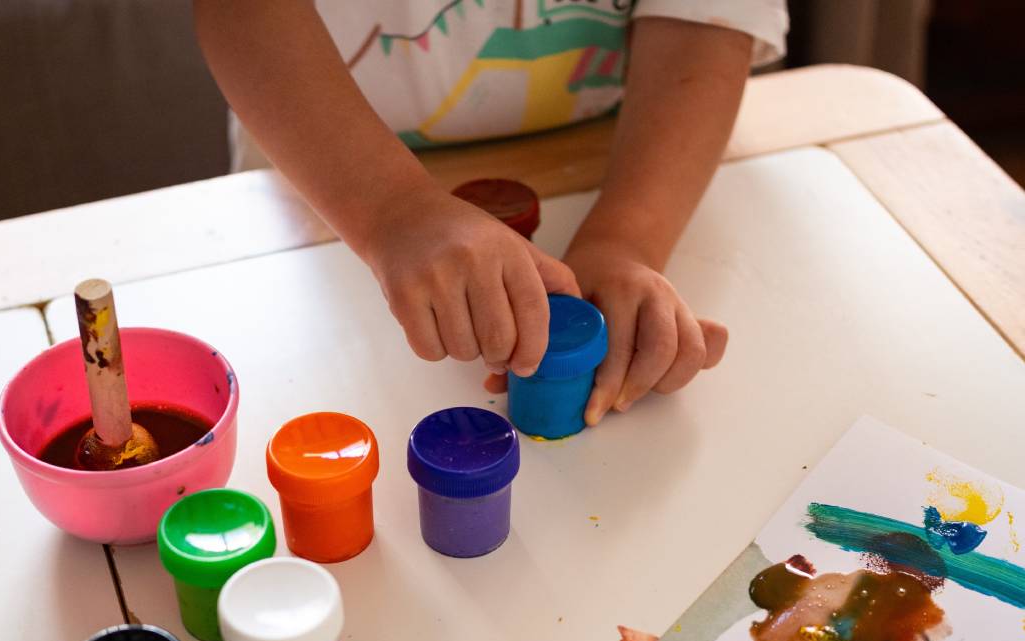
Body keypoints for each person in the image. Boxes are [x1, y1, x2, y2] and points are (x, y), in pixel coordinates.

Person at [193, 1, 787, 425]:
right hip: (327, 175)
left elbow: (709, 21)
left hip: (617, 156)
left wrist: (628, 237)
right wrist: (391, 207)